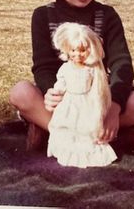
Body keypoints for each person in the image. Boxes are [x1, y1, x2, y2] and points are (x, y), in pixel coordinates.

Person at [9, 0, 134, 157]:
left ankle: (66, 133)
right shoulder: (42, 15)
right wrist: (50, 92)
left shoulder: (107, 15)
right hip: (64, 98)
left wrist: (114, 107)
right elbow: (44, 66)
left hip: (96, 97)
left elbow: (121, 63)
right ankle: (101, 137)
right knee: (20, 93)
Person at [47, 22, 117, 168]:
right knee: (68, 126)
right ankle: (67, 149)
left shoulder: (92, 70)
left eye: (82, 50)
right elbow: (61, 82)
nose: (77, 54)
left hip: (87, 103)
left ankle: (88, 151)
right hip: (69, 103)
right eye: (73, 50)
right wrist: (57, 91)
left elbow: (97, 88)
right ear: (67, 50)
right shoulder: (66, 68)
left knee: (86, 128)